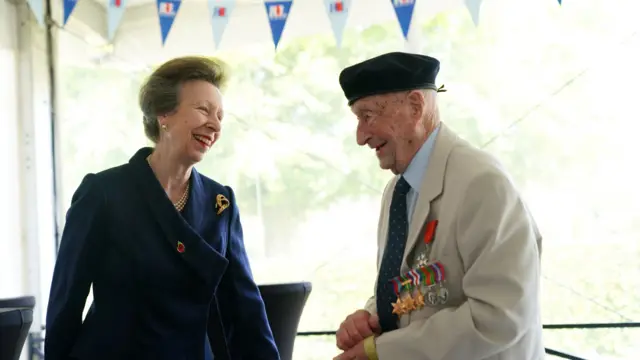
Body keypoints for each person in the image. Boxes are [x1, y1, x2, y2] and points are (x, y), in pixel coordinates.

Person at [45, 56, 280, 360]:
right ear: (163, 114)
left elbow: (246, 308)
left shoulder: (219, 202)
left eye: (220, 115)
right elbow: (66, 303)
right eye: (203, 110)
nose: (215, 124)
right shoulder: (103, 193)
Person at [333, 52, 544, 360]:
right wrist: (371, 318)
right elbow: (414, 287)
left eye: (367, 116)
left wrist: (379, 352)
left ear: (415, 107)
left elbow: (498, 317)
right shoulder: (398, 190)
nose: (360, 136)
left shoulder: (482, 183)